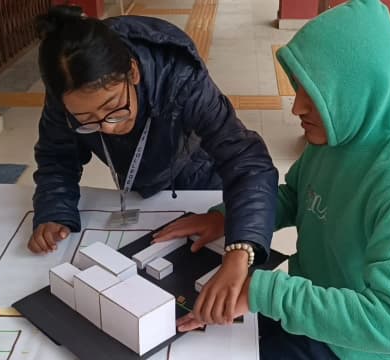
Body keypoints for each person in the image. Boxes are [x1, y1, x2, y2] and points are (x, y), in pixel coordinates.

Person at [154, 1, 390, 359]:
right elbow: (296, 197)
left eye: (316, 94)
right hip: (312, 310)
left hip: (364, 350)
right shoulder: (337, 137)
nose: (297, 107)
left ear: (358, 91)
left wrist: (262, 293)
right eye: (298, 88)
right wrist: (225, 217)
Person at [28, 5, 278, 323]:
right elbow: (56, 156)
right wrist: (54, 210)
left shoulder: (180, 76)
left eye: (113, 108)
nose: (107, 127)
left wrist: (241, 246)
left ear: (133, 72)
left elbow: (247, 161)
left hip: (199, 176)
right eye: (87, 121)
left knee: (207, 265)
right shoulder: (64, 91)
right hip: (140, 188)